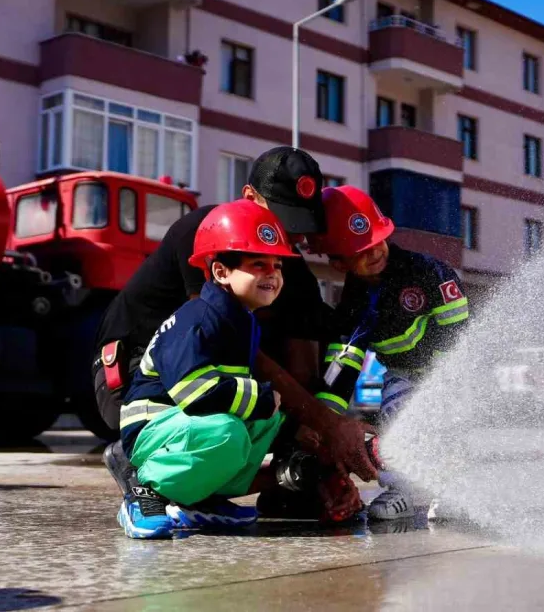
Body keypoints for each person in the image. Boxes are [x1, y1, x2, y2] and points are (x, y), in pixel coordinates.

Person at [92, 147, 378, 524]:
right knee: (228, 424)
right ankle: (147, 478)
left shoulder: (289, 269)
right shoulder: (210, 233)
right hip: (138, 383)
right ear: (249, 198)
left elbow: (307, 358)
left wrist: (319, 455)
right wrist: (330, 426)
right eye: (282, 218)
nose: (289, 235)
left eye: (299, 224)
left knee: (285, 381)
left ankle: (279, 482)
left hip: (213, 381)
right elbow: (222, 344)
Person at [307, 186, 470, 521]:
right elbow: (345, 359)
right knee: (396, 423)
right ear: (339, 263)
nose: (375, 252)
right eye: (361, 250)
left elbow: (458, 329)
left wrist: (442, 381)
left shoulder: (427, 272)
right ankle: (402, 490)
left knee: (447, 431)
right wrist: (327, 417)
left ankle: (454, 492)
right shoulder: (354, 299)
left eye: (376, 241)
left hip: (449, 370)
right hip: (401, 373)